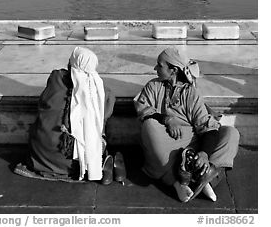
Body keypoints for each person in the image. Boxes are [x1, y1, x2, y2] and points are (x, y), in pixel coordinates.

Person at [134, 47, 239, 203]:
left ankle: (206, 171)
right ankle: (178, 182)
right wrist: (166, 119)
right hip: (166, 143)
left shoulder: (190, 93)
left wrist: (204, 153)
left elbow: (207, 127)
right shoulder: (153, 86)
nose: (155, 68)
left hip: (194, 141)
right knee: (149, 127)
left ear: (173, 70)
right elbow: (142, 109)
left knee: (230, 133)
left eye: (159, 65)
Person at [14, 47, 116, 182]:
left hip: (41, 155)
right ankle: (96, 163)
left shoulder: (56, 78)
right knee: (98, 131)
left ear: (71, 64)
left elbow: (43, 103)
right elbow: (104, 116)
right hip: (73, 164)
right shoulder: (104, 93)